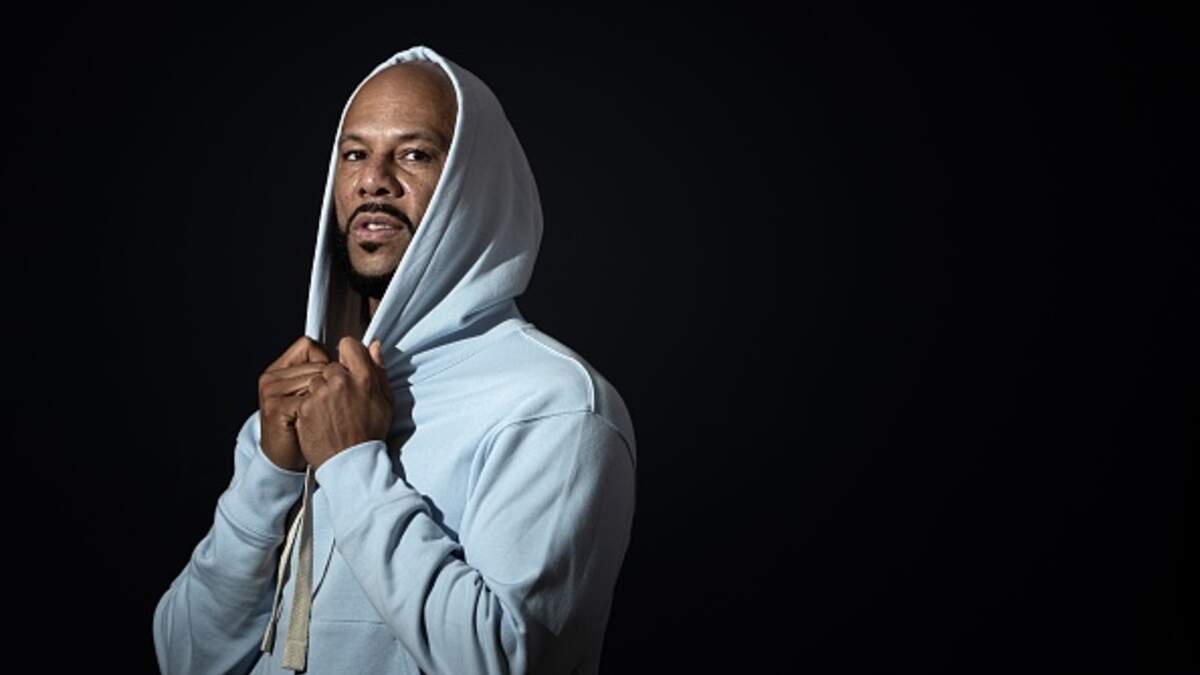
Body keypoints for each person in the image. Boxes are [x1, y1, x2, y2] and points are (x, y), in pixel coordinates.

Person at [152, 45, 638, 675]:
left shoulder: (553, 406)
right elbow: (186, 660)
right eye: (354, 153)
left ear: (473, 186)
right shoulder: (305, 401)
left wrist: (354, 466)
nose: (372, 180)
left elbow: (507, 663)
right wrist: (269, 475)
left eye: (414, 154)